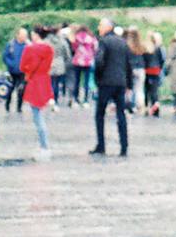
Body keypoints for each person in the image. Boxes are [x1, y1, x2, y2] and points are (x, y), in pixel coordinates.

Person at [90, 17, 134, 156]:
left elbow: (99, 61)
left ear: (108, 27)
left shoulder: (103, 41)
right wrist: (129, 83)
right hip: (120, 82)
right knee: (121, 114)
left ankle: (101, 145)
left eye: (100, 25)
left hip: (106, 82)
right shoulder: (122, 42)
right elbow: (128, 64)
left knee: (100, 114)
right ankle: (124, 146)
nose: (99, 28)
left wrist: (98, 78)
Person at [19, 27, 56, 161]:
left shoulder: (30, 49)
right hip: (45, 80)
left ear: (35, 35)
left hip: (34, 82)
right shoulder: (49, 49)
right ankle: (43, 146)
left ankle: (44, 146)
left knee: (37, 117)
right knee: (40, 115)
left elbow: (23, 66)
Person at [3, 27, 29, 114]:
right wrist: (11, 64)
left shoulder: (27, 45)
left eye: (26, 35)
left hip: (23, 71)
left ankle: (19, 107)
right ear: (18, 35)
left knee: (21, 90)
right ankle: (7, 105)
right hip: (12, 71)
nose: (25, 37)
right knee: (10, 88)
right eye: (23, 35)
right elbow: (5, 56)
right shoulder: (10, 44)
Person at [70, 25, 95, 106]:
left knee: (76, 81)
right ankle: (85, 100)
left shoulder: (76, 37)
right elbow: (95, 48)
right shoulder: (91, 38)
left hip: (78, 61)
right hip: (88, 61)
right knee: (86, 82)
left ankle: (76, 99)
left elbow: (73, 48)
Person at [142, 31, 165, 116]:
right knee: (154, 90)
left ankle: (146, 108)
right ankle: (155, 107)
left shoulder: (145, 48)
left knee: (146, 90)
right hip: (155, 70)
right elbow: (161, 59)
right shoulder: (157, 47)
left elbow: (143, 59)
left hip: (147, 70)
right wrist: (159, 68)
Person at [50, 24, 72, 108]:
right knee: (57, 81)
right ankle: (55, 99)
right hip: (60, 63)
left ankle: (51, 98)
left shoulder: (47, 41)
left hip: (50, 63)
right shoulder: (62, 41)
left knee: (51, 82)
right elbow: (67, 54)